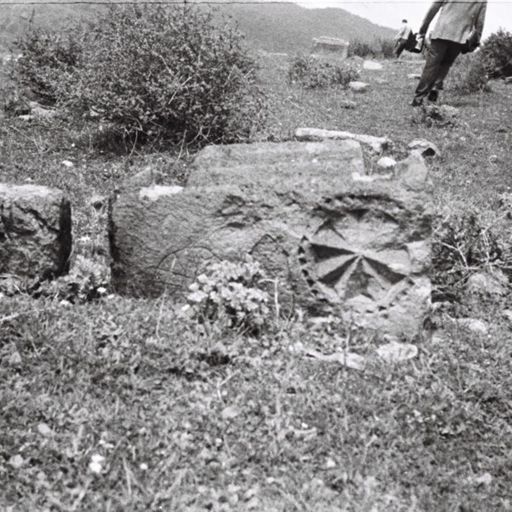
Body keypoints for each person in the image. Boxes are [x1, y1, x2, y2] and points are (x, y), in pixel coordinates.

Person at [412, 0, 487, 106]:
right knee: (446, 64)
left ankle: (418, 98)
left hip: (442, 30)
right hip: (460, 36)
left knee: (431, 65)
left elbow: (433, 8)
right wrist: (476, 41)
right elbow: (480, 22)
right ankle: (435, 88)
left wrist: (423, 29)